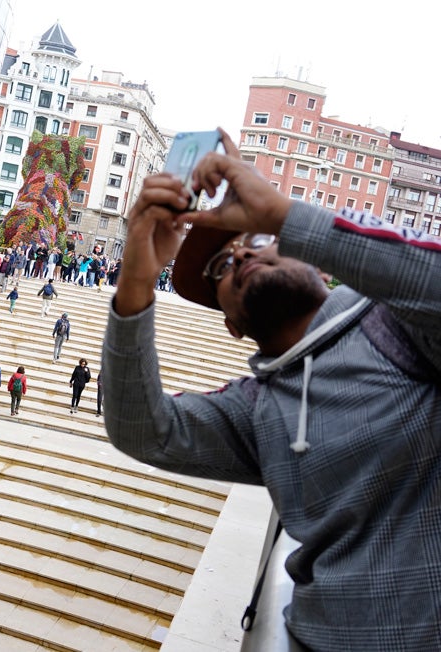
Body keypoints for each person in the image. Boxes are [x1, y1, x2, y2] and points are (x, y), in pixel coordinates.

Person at [102, 131, 441, 650]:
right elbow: (145, 431)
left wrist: (282, 214)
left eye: (257, 240)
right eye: (221, 266)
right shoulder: (257, 408)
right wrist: (136, 280)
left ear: (313, 260)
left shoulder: (398, 322)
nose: (239, 256)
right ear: (232, 325)